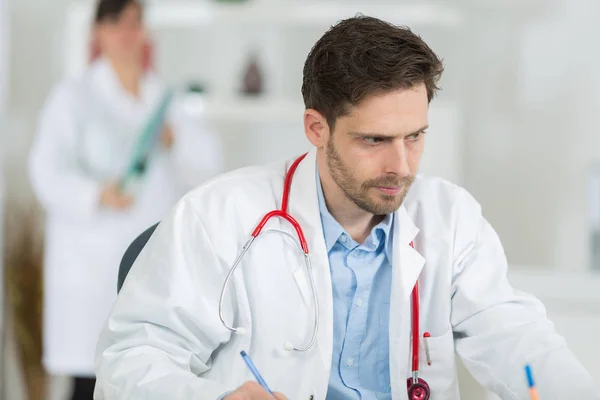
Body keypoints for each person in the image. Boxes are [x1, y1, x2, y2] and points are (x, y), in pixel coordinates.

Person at [93, 16, 599, 400]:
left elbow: (518, 340)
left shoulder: (451, 219)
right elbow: (131, 360)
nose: (401, 165)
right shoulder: (218, 218)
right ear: (316, 128)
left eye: (415, 136)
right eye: (375, 139)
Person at [27, 0, 222, 399]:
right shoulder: (73, 97)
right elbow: (45, 171)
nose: (128, 33)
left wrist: (176, 139)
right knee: (90, 377)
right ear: (98, 32)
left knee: (148, 374)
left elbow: (209, 166)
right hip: (90, 264)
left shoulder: (165, 99)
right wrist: (96, 194)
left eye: (135, 22)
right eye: (117, 23)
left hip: (150, 260)